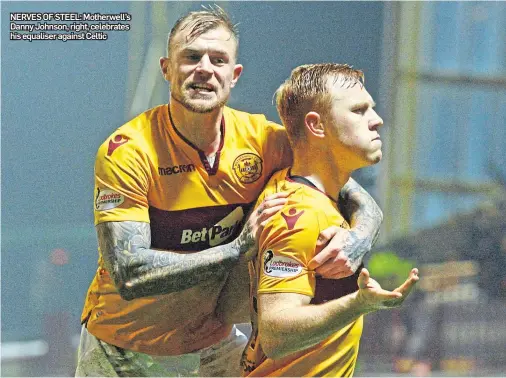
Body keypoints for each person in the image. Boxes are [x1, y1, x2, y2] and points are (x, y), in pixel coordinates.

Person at [75, 7, 383, 377]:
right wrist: (234, 251)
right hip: (126, 349)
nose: (205, 68)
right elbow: (129, 273)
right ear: (166, 69)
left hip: (214, 345)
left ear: (234, 75)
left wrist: (359, 237)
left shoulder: (262, 140)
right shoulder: (127, 151)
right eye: (191, 57)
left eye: (218, 59)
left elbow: (352, 192)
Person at [239, 63, 419, 377]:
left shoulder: (315, 197)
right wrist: (359, 304)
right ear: (317, 126)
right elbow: (276, 336)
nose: (376, 121)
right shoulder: (298, 214)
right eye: (359, 111)